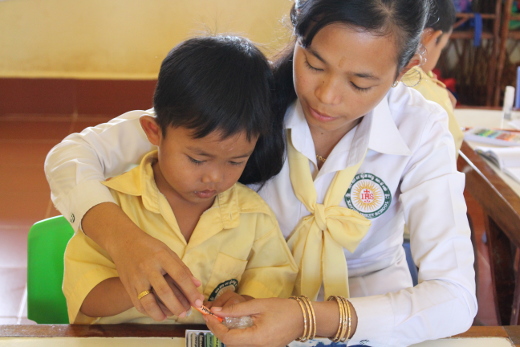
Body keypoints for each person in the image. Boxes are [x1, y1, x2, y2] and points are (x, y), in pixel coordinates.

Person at [45, 0, 477, 345]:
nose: (326, 96)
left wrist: (307, 319)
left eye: (360, 83)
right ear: (298, 35)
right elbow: (72, 157)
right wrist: (124, 241)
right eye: (313, 64)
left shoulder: (420, 127)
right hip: (243, 324)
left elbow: (455, 299)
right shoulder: (246, 104)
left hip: (370, 321)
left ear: (404, 70)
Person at [61, 35, 297, 324]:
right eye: (197, 159)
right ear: (153, 131)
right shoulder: (113, 209)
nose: (214, 176)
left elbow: (275, 280)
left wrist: (246, 302)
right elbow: (85, 296)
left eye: (235, 161)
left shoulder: (254, 216)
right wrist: (142, 284)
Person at [404, 0, 463, 153]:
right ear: (428, 38)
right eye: (441, 48)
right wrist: (439, 98)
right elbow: (450, 147)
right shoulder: (432, 99)